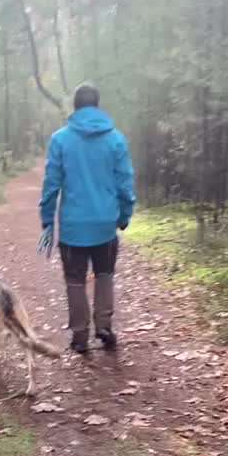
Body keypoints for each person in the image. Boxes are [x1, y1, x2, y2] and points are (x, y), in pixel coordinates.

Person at [39, 83, 136, 354]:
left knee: (75, 280)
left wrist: (47, 221)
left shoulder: (60, 140)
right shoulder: (116, 139)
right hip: (105, 224)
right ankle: (104, 325)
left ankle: (80, 335)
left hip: (72, 227)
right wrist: (125, 214)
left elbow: (51, 186)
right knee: (105, 274)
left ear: (75, 107)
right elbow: (125, 183)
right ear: (98, 105)